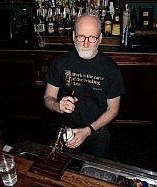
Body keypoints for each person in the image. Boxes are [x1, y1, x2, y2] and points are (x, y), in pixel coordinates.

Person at [43, 14, 125, 158]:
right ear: (73, 36)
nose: (86, 43)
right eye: (81, 36)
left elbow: (113, 109)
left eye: (92, 38)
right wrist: (58, 106)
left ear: (100, 39)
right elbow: (48, 98)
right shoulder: (60, 62)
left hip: (97, 131)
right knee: (65, 171)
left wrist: (87, 131)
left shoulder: (111, 69)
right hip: (68, 130)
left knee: (94, 174)